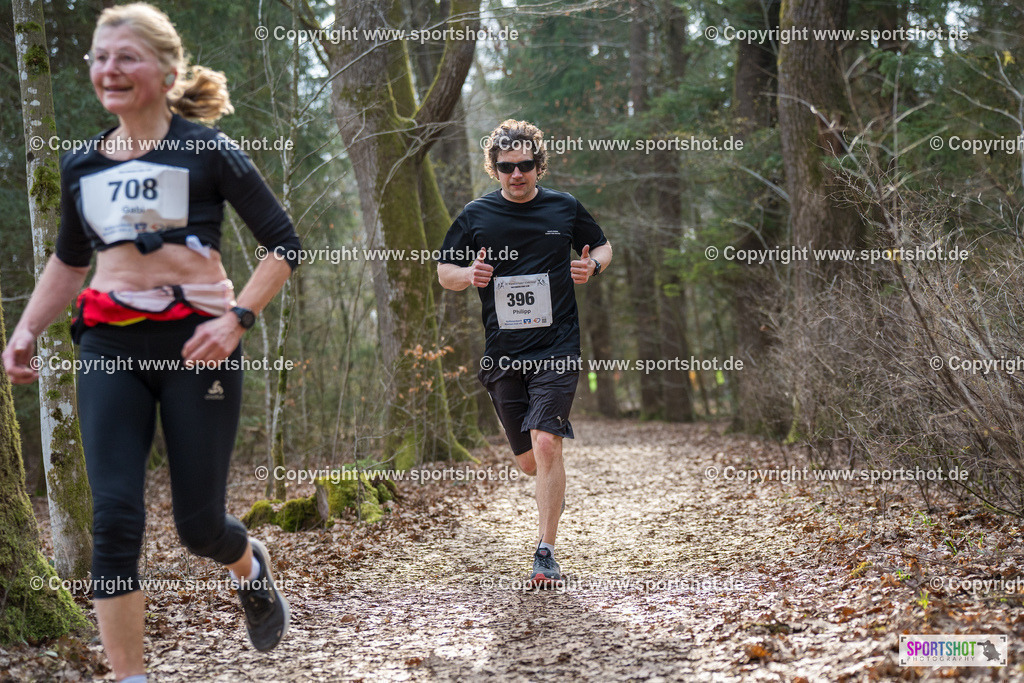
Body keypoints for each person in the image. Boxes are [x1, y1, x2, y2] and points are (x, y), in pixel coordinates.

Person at [2, 4, 298, 680]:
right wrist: (26, 330)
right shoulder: (81, 165)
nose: (110, 69)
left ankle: (249, 565)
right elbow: (69, 261)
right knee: (113, 522)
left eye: (126, 57)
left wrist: (237, 320)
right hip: (109, 347)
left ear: (166, 72)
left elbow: (284, 244)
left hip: (200, 348)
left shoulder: (208, 150)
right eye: (100, 59)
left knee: (199, 526)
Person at [437, 119, 612, 587]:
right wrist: (467, 276)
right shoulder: (475, 215)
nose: (517, 173)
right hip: (503, 353)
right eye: (507, 166)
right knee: (531, 461)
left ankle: (545, 551)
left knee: (547, 442)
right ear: (494, 168)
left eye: (526, 165)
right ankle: (546, 475)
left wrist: (591, 264)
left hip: (557, 346)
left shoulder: (564, 207)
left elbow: (605, 245)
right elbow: (443, 272)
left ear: (539, 165)